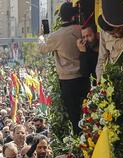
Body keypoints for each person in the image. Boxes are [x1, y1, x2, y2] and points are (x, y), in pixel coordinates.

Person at [38, 2, 88, 134]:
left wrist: (41, 36)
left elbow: (42, 49)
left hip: (67, 80)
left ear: (61, 17)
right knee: (88, 111)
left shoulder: (56, 36)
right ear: (74, 15)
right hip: (84, 76)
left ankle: (79, 141)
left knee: (74, 115)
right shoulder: (82, 29)